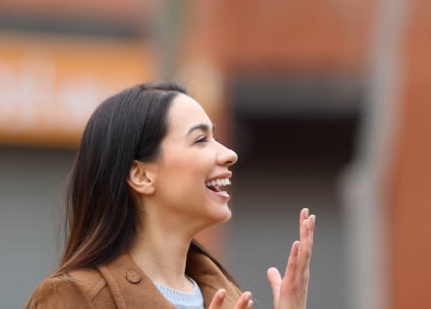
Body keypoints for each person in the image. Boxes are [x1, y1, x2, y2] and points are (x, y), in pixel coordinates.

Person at [26, 81, 316, 309]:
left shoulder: (229, 297)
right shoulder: (73, 298)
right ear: (141, 175)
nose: (229, 154)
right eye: (200, 139)